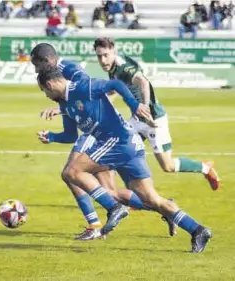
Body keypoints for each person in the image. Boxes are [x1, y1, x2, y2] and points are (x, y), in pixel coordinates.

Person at [37, 63, 212, 253]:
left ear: (51, 84)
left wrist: (135, 105)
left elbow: (116, 85)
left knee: (72, 171)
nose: (45, 95)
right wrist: (52, 137)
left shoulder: (82, 86)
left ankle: (114, 208)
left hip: (118, 141)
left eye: (44, 90)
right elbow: (70, 135)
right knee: (152, 199)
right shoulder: (65, 104)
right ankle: (198, 230)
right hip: (125, 146)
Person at [31, 43, 176, 240]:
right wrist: (63, 110)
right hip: (92, 126)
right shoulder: (58, 72)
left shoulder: (68, 68)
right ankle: (165, 207)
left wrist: (65, 109)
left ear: (46, 61)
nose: (36, 71)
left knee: (71, 173)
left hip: (94, 127)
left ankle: (95, 225)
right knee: (110, 191)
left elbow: (81, 93)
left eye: (36, 65)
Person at [93, 37, 220, 191]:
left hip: (153, 119)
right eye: (99, 56)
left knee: (168, 166)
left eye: (106, 55)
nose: (103, 60)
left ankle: (205, 168)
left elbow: (143, 82)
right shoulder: (113, 68)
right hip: (137, 120)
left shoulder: (123, 67)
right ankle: (136, 197)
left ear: (113, 51)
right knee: (119, 153)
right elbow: (114, 90)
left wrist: (146, 108)